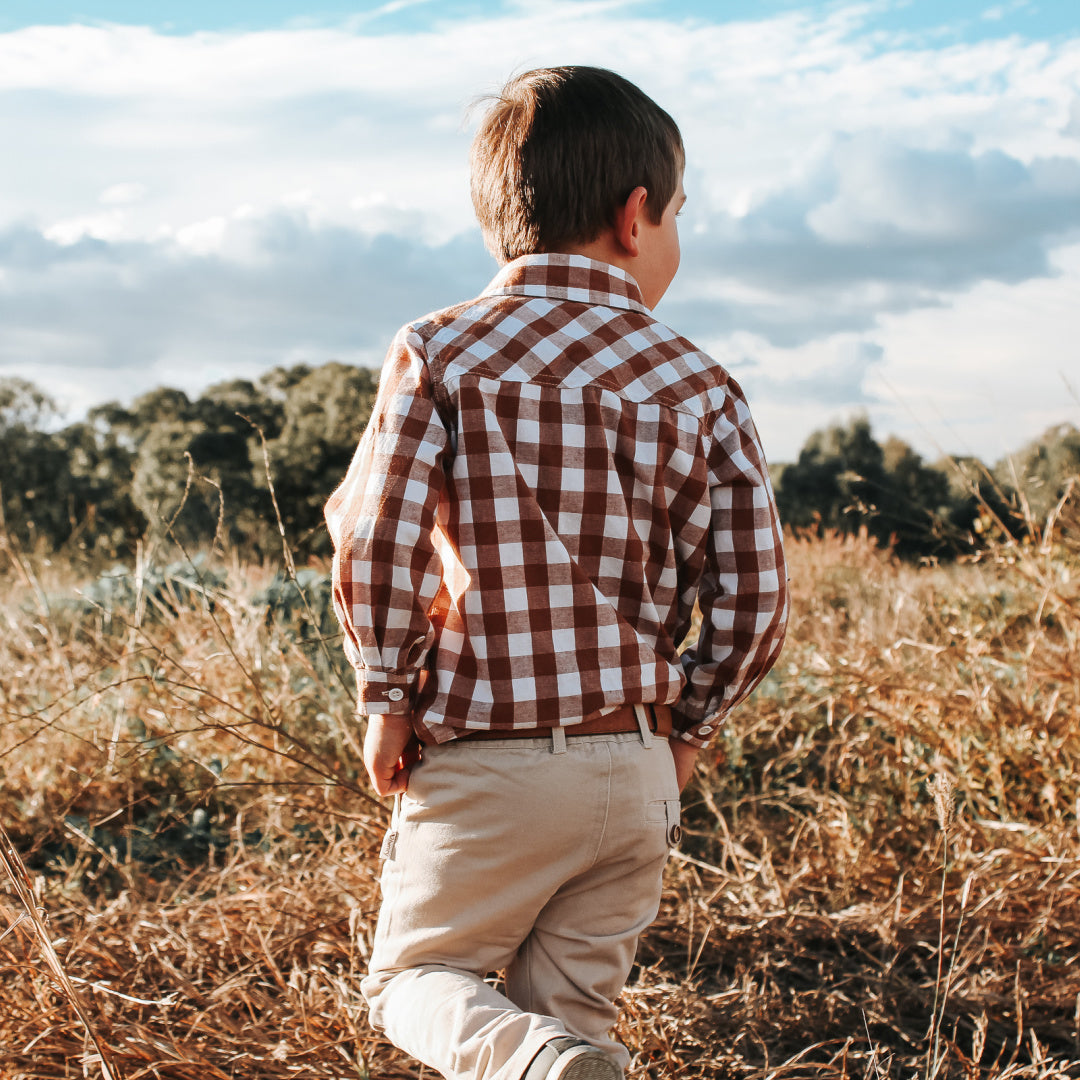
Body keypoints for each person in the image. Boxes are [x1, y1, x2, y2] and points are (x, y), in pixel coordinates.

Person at [325, 65, 788, 1080]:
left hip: (486, 755)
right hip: (631, 770)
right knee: (573, 1020)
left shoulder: (441, 353)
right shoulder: (702, 385)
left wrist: (385, 696)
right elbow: (755, 598)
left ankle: (538, 1062)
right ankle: (557, 1058)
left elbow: (374, 534)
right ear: (636, 217)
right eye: (678, 217)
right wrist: (692, 728)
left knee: (419, 978)